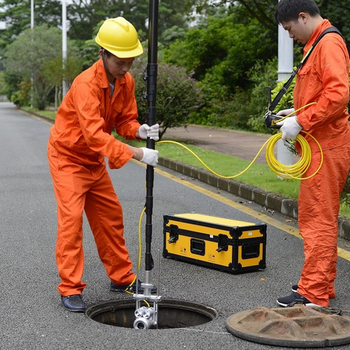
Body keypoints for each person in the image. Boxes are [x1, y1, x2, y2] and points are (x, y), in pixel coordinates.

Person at [47, 17, 159, 312]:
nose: (126, 67)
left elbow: (123, 119)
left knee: (110, 216)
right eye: (120, 61)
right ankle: (70, 288)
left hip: (93, 160)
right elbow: (95, 135)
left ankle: (121, 277)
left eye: (130, 61)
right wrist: (137, 154)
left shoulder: (126, 81)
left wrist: (138, 130)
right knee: (71, 223)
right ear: (104, 54)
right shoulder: (85, 85)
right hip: (68, 158)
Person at [275, 0, 350, 307]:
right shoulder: (317, 43)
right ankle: (320, 283)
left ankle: (314, 292)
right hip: (321, 143)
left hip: (327, 144)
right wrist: (296, 111)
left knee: (317, 218)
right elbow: (322, 93)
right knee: (319, 216)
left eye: (290, 28)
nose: (290, 35)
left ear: (303, 17)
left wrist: (301, 121)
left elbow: (338, 94)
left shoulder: (328, 42)